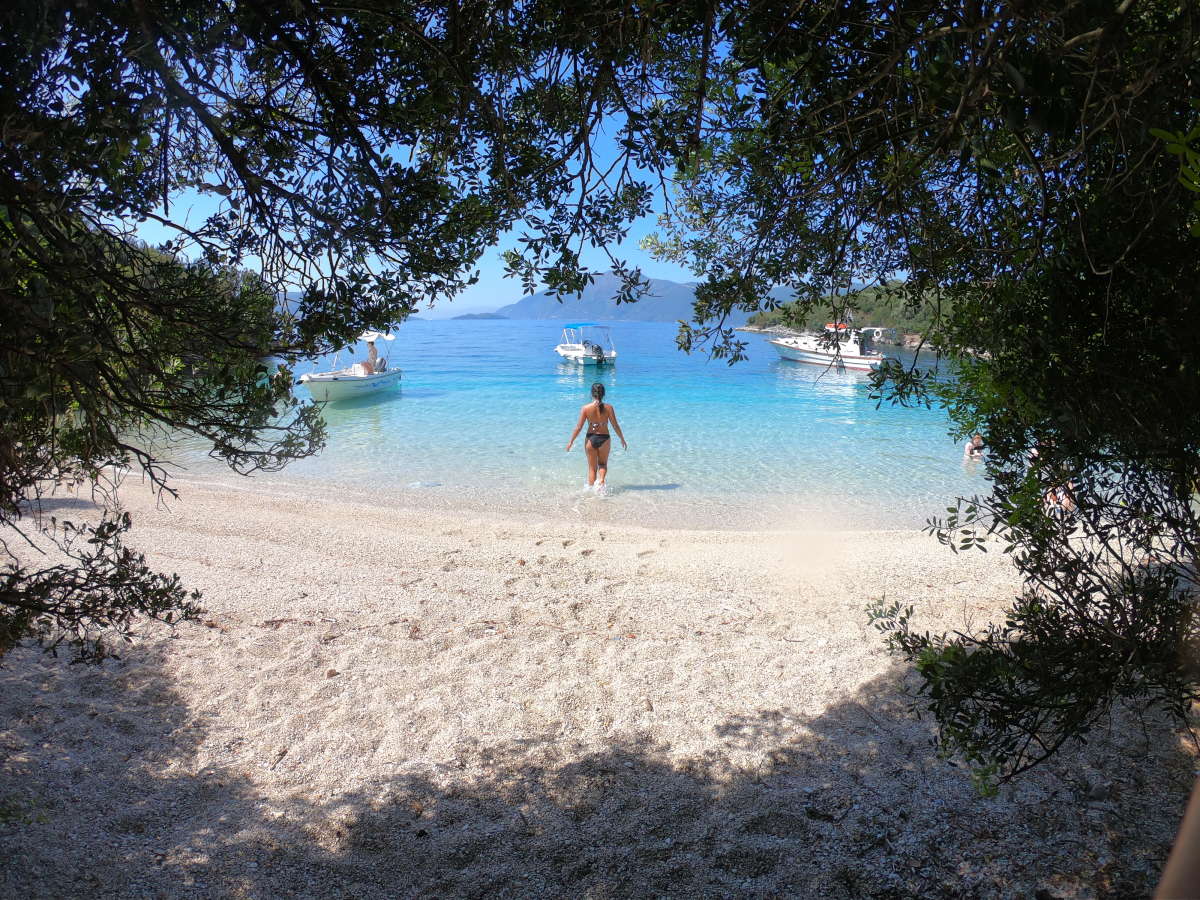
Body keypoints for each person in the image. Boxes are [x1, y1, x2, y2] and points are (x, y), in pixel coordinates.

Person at [565, 382, 627, 493]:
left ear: (591, 394)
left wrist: (571, 441)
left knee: (592, 468)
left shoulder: (585, 408)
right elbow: (615, 425)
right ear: (603, 394)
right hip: (605, 439)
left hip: (590, 439)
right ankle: (602, 480)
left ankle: (590, 491)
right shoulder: (609, 408)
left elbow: (579, 427)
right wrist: (622, 438)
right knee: (603, 464)